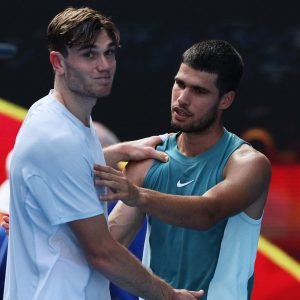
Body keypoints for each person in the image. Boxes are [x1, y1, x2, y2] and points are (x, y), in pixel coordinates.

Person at [3, 7, 204, 300]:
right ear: (57, 62)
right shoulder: (57, 138)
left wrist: (119, 151)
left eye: (109, 52)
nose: (104, 65)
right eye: (89, 54)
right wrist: (169, 296)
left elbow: (69, 164)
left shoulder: (51, 113)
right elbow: (102, 253)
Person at [94, 40, 272, 300]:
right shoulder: (150, 158)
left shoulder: (248, 164)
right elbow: (106, 244)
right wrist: (43, 232)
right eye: (180, 84)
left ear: (226, 100)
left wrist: (139, 195)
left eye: (199, 91)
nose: (183, 99)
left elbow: (207, 213)